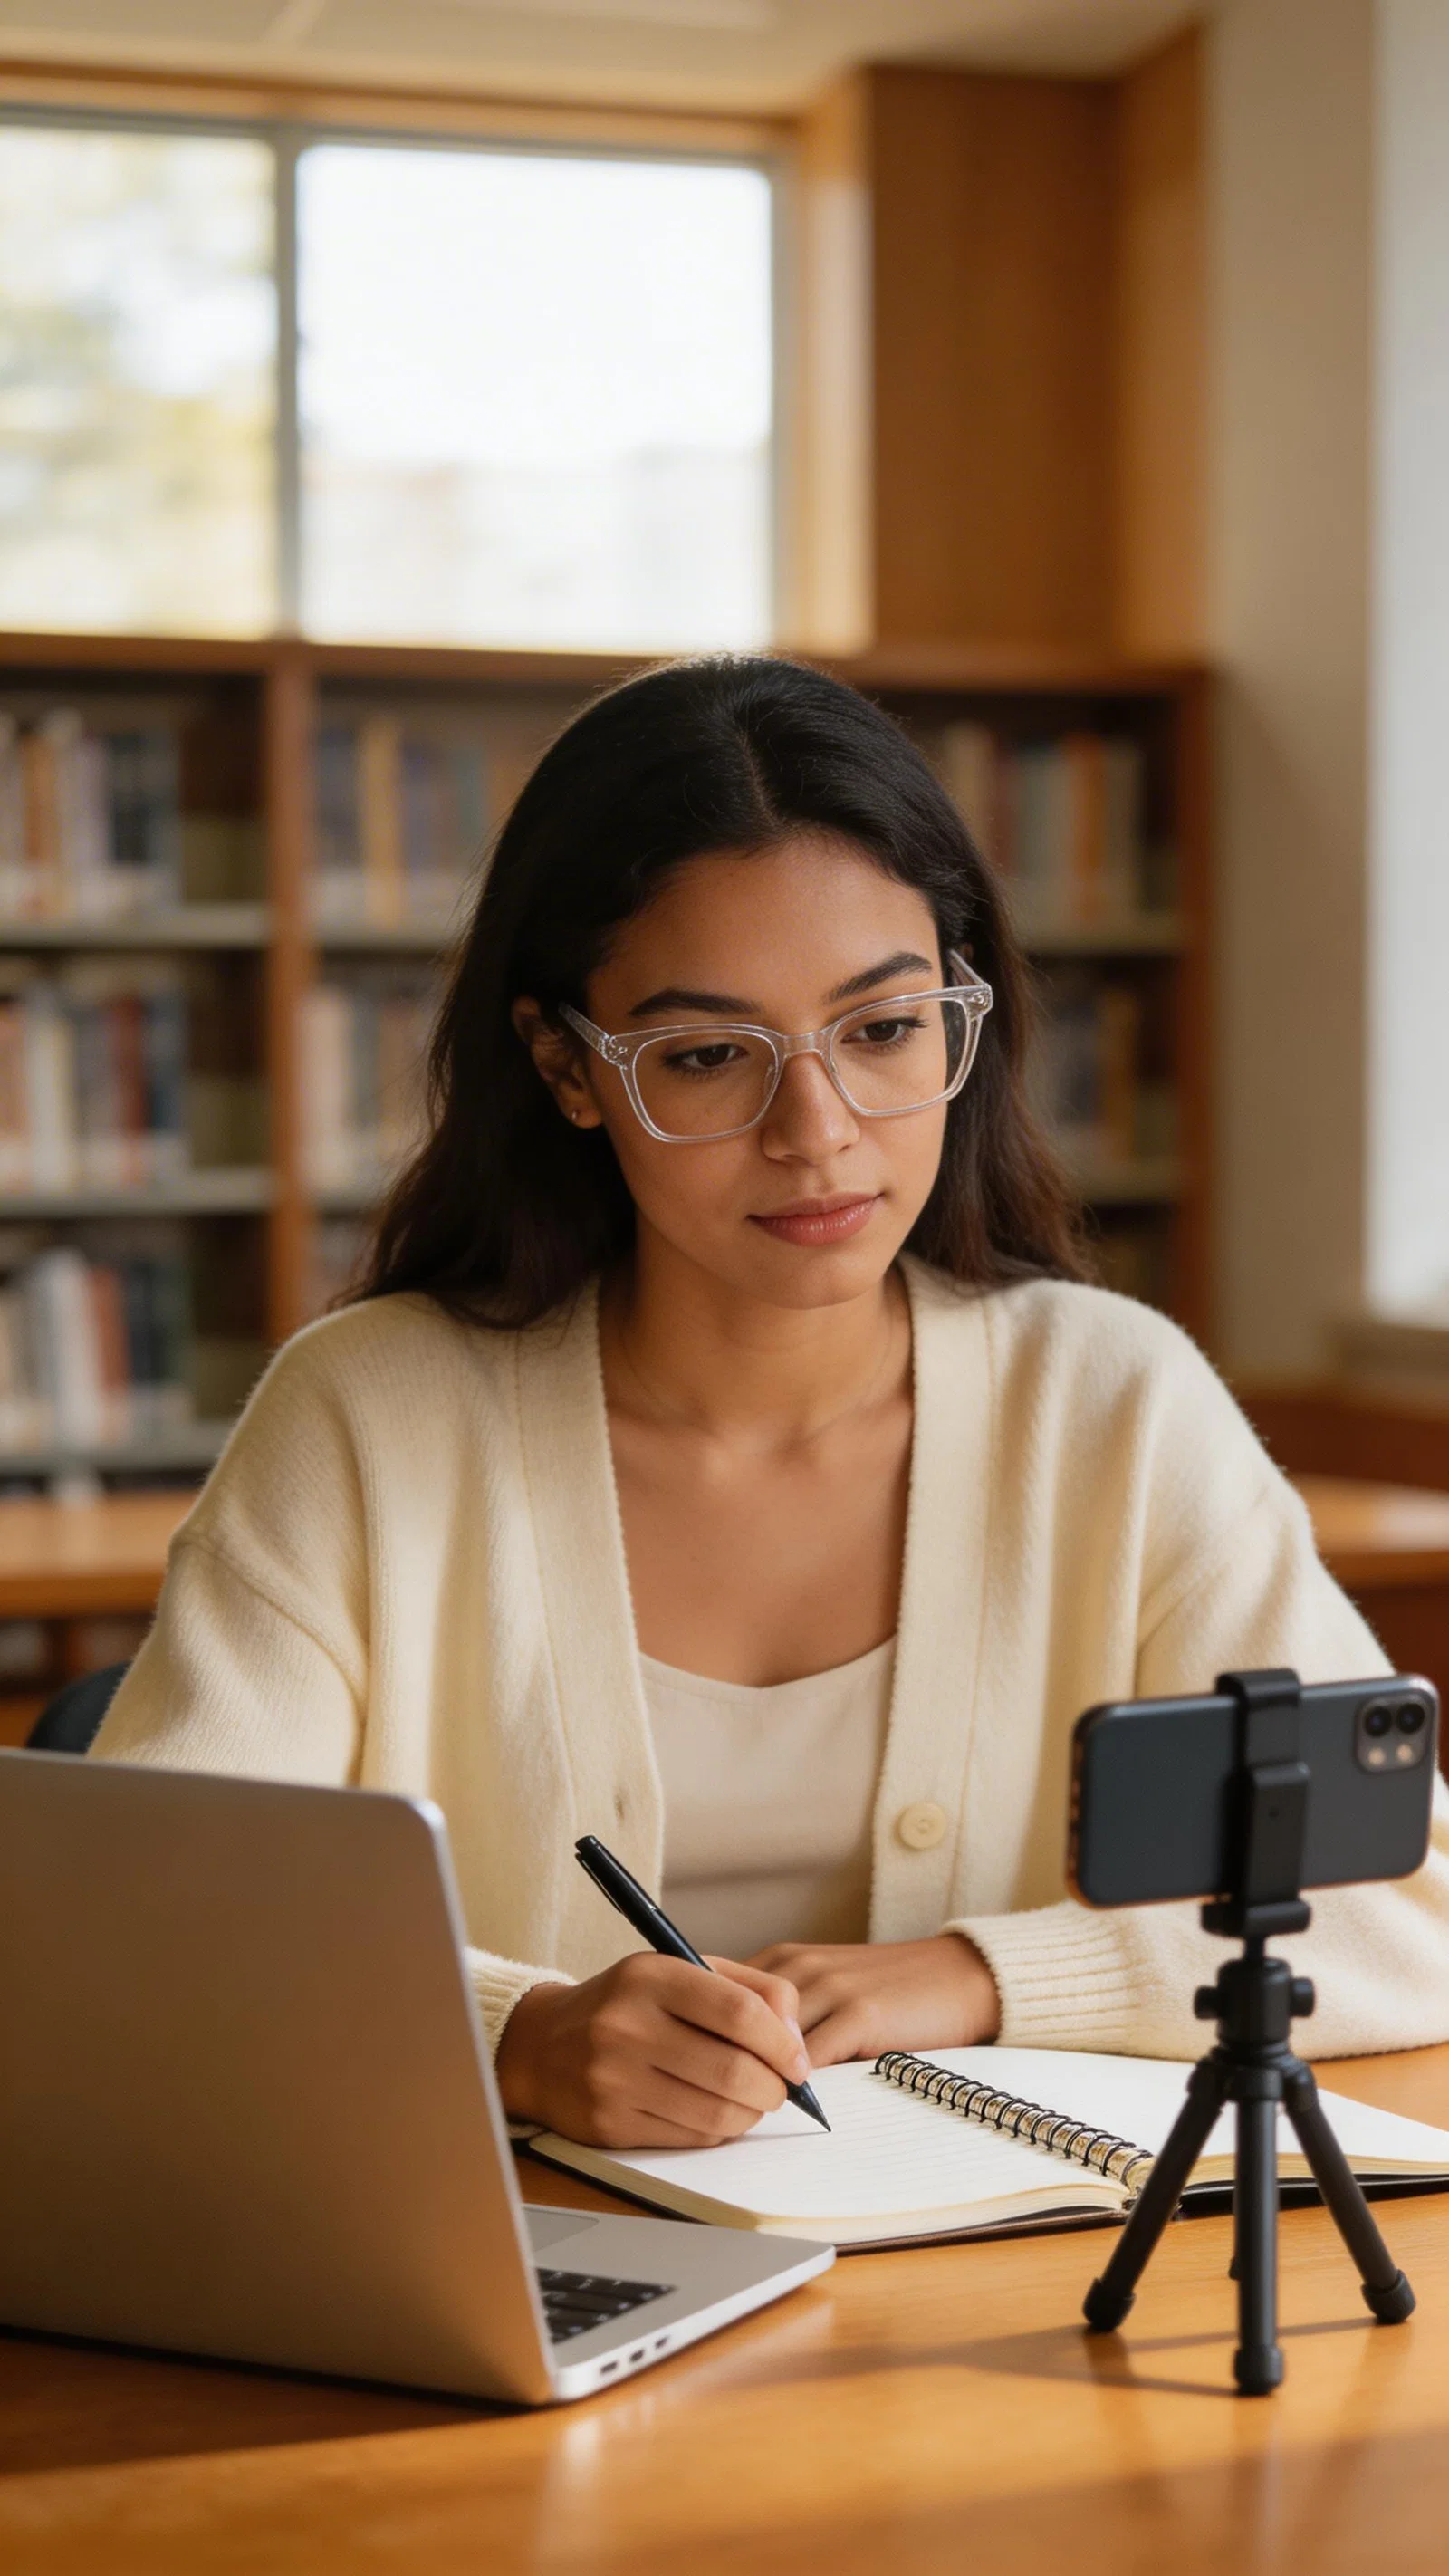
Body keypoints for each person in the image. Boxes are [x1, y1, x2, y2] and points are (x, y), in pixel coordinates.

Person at [93, 656, 1449, 2148]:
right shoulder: (370, 1420)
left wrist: (979, 1975)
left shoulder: (1113, 1405)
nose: (819, 1137)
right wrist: (518, 2039)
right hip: (523, 2297)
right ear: (566, 1066)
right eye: (705, 1057)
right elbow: (149, 1927)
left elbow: (1406, 1911)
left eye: (883, 1031)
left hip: (978, 2313)